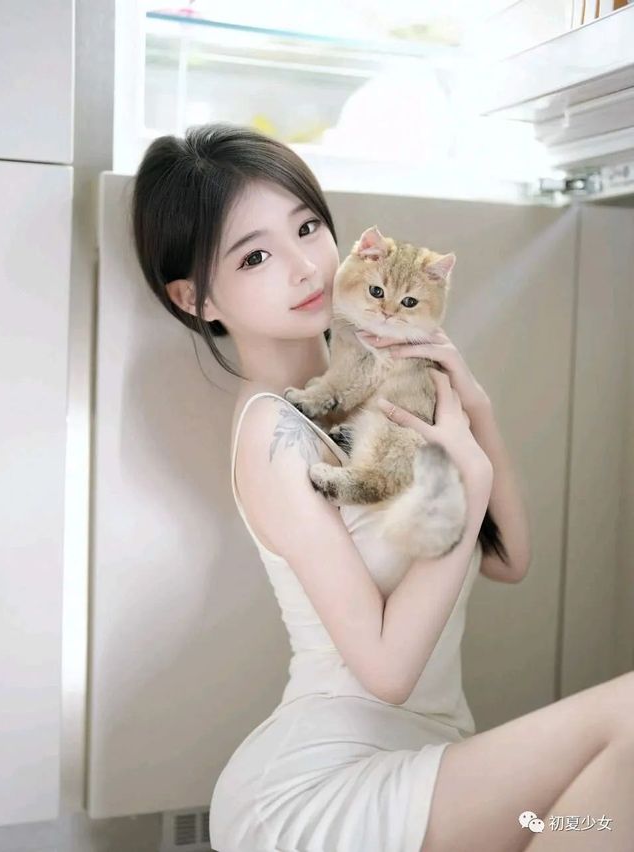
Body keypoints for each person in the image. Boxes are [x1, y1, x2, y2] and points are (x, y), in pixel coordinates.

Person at [130, 122, 634, 852]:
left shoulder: (388, 384)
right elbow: (388, 670)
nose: (305, 267)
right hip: (323, 787)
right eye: (256, 256)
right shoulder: (272, 432)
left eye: (308, 227)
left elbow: (508, 558)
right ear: (195, 299)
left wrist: (476, 406)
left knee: (599, 812)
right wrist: (468, 474)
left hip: (427, 751)